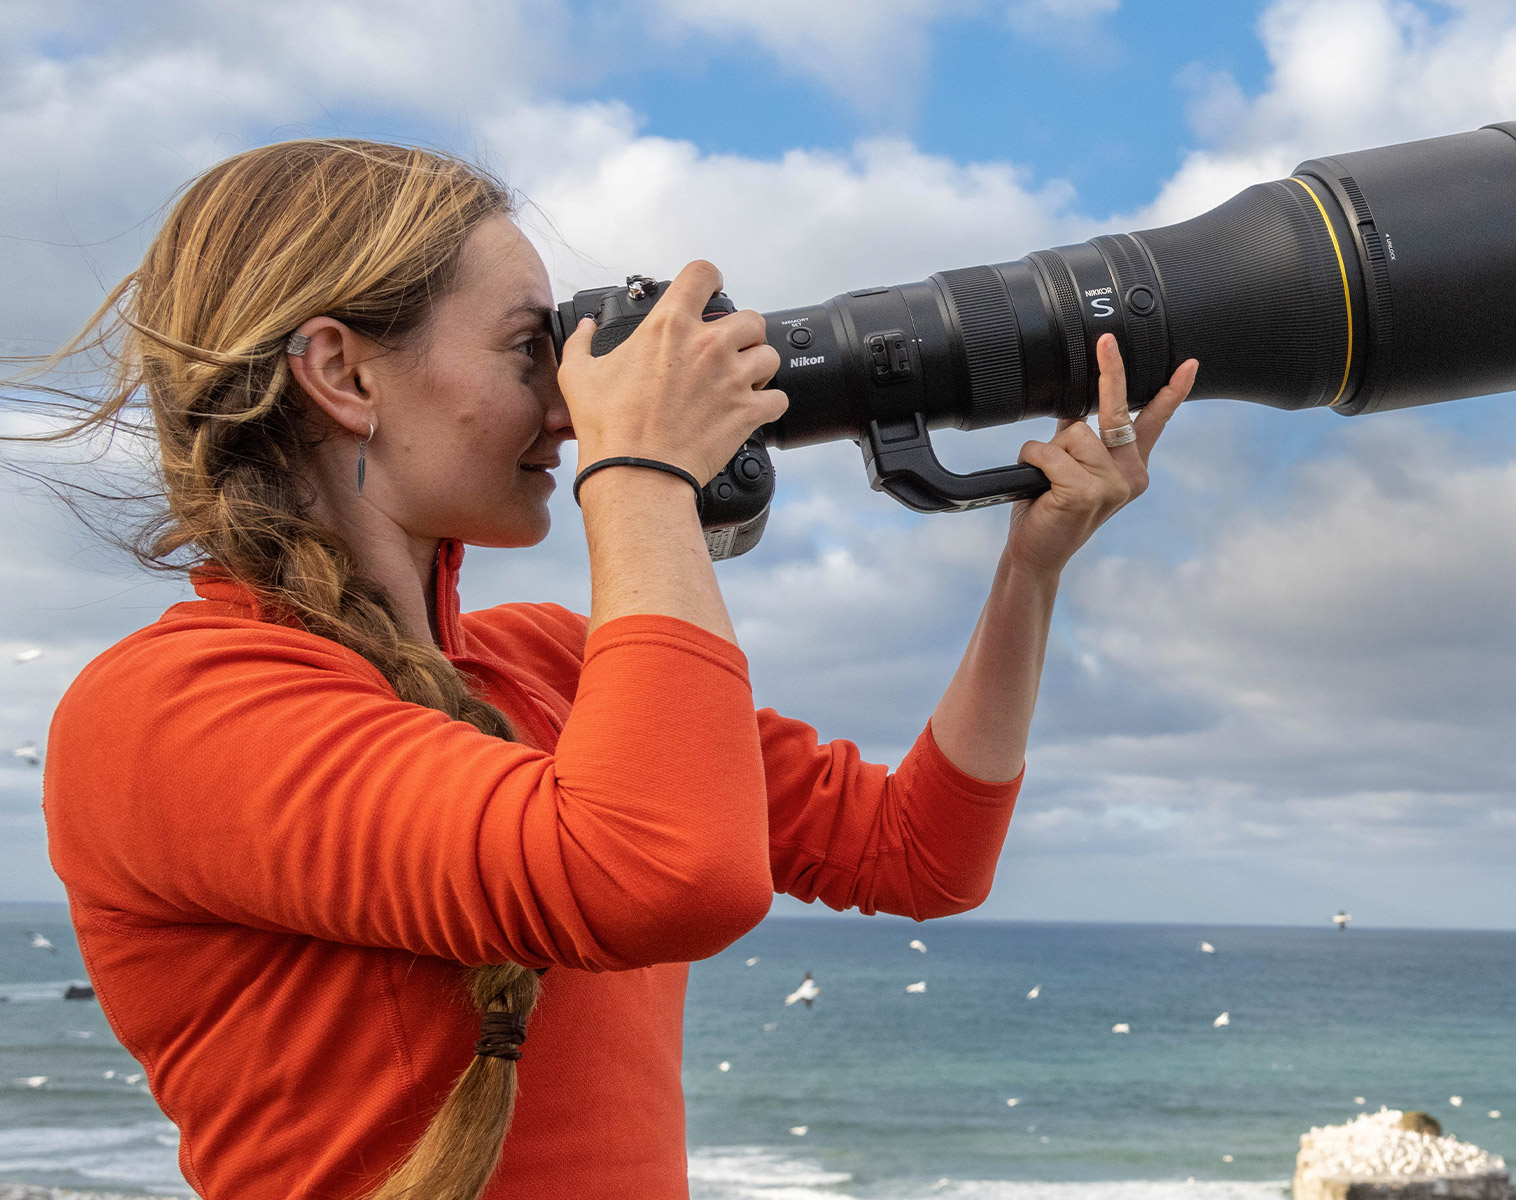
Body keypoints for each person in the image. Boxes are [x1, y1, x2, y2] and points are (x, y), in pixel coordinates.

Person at [9, 139, 1198, 1199]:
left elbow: (919, 855)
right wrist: (641, 475)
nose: (575, 403)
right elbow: (657, 874)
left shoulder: (553, 665)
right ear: (345, 373)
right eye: (534, 349)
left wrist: (1029, 572)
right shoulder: (170, 712)